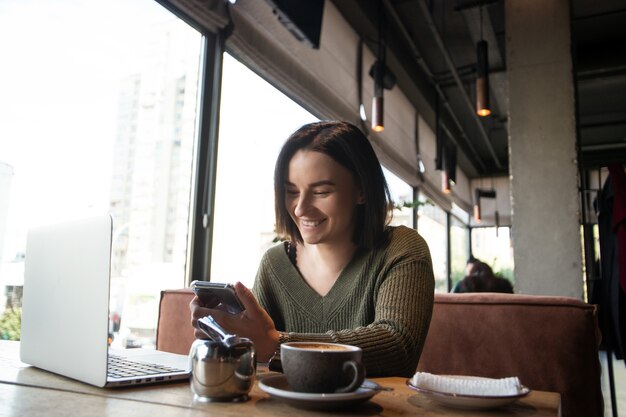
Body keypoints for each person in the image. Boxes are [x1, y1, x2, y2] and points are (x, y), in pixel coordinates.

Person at [190, 120, 435, 377]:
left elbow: (398, 347)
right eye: (292, 191)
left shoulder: (401, 248)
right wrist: (228, 337)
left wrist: (276, 344)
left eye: (321, 192)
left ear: (361, 190)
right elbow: (259, 361)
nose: (300, 208)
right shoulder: (274, 264)